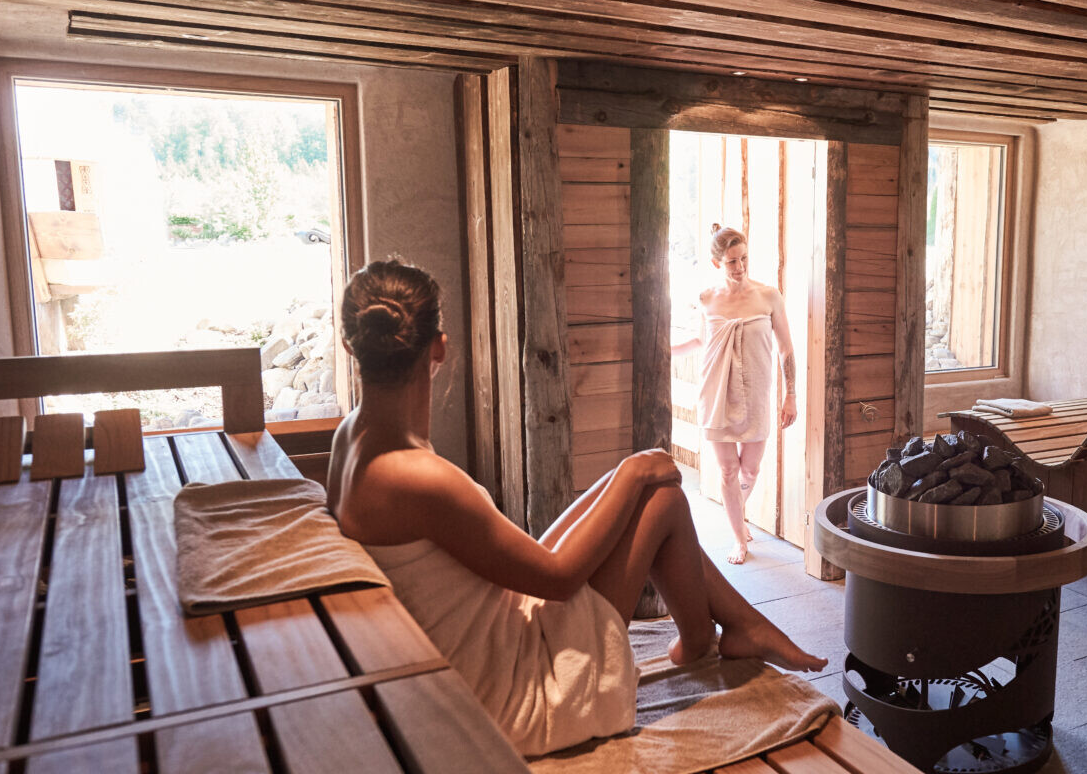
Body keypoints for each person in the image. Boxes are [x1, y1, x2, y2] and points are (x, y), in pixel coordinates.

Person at [325, 259, 825, 757]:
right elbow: (559, 578)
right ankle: (711, 638)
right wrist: (632, 475)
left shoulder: (353, 437)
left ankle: (723, 631)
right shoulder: (415, 477)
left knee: (647, 484)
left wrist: (631, 473)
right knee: (659, 494)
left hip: (488, 633)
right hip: (515, 693)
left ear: (351, 345)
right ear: (439, 346)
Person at [671, 225, 797, 565]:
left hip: (756, 393)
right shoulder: (707, 299)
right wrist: (664, 350)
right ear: (717, 263)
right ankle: (739, 539)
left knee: (750, 471)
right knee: (728, 472)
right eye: (731, 262)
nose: (739, 267)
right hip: (716, 393)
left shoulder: (769, 296)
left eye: (743, 259)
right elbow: (700, 341)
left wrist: (791, 396)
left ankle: (736, 514)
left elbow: (786, 349)